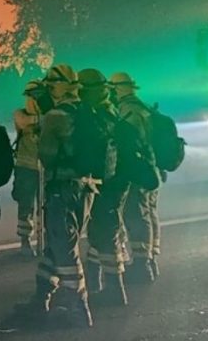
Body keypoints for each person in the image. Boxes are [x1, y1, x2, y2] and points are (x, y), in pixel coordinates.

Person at [16, 64, 94, 328]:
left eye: (52, 83)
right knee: (54, 246)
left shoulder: (56, 116)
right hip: (85, 187)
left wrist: (40, 138)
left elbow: (47, 155)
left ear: (62, 86)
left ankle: (78, 307)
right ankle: (40, 298)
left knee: (64, 247)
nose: (48, 88)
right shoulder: (86, 109)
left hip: (61, 187)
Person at [77, 69, 131, 306]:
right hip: (112, 181)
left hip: (110, 183)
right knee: (100, 232)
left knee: (104, 233)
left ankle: (115, 289)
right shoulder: (107, 110)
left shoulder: (101, 114)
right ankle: (99, 281)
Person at [110, 72, 161, 284]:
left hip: (137, 168)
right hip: (150, 167)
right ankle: (150, 260)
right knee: (148, 212)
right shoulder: (144, 107)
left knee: (135, 214)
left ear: (117, 89)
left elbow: (130, 142)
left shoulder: (127, 110)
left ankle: (142, 265)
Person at [12, 81, 43, 257]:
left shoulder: (48, 115)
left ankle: (42, 240)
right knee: (25, 206)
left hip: (44, 168)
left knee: (44, 207)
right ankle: (25, 241)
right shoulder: (20, 114)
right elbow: (25, 122)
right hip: (25, 168)